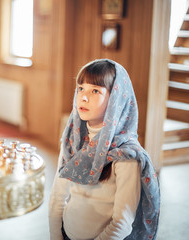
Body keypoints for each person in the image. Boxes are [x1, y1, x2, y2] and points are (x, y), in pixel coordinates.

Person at [49, 59, 160, 240]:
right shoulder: (72, 140)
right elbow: (57, 197)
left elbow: (122, 222)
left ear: (116, 98)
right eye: (80, 88)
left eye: (95, 91)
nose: (83, 97)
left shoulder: (126, 155)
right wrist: (56, 236)